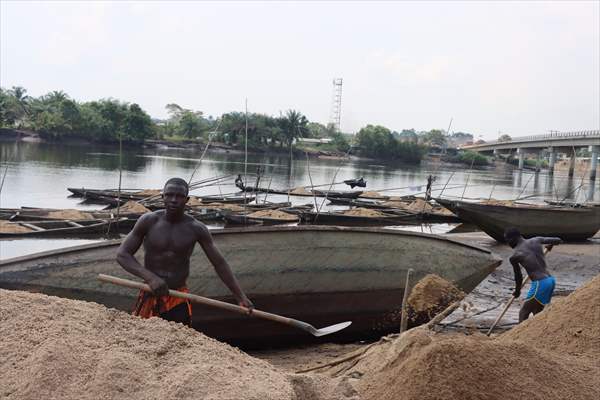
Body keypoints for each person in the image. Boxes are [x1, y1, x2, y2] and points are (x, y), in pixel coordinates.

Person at [116, 177, 254, 326]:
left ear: (187, 199)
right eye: (169, 195)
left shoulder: (196, 228)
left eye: (179, 196)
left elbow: (219, 264)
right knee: (142, 337)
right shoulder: (148, 221)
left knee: (178, 341)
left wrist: (240, 297)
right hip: (150, 292)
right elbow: (122, 255)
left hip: (177, 296)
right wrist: (150, 278)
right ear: (163, 197)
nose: (174, 200)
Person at [504, 227, 562, 322]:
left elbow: (518, 277)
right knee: (537, 314)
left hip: (540, 283)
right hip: (550, 280)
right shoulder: (536, 240)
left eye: (507, 240)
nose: (507, 243)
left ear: (513, 238)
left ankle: (519, 336)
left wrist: (517, 291)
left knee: (523, 313)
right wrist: (550, 244)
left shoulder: (515, 256)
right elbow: (558, 240)